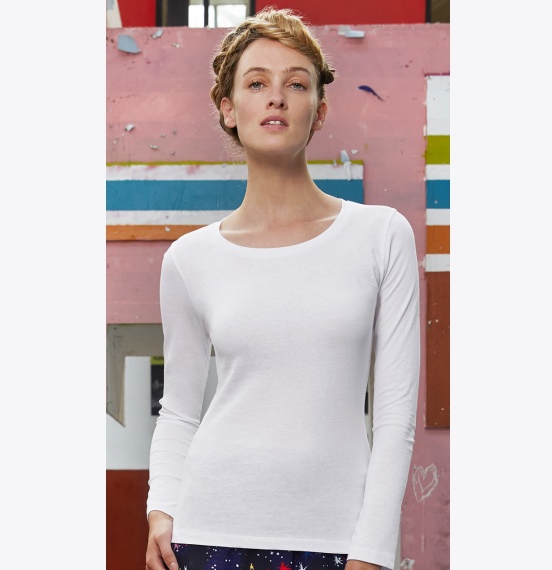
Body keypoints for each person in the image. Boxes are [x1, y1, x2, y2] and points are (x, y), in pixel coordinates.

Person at [146, 8, 420, 570]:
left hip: (337, 540)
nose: (276, 97)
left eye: (296, 84)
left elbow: (394, 416)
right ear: (228, 108)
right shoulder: (189, 260)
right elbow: (179, 411)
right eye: (256, 83)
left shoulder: (381, 235)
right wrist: (161, 510)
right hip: (206, 532)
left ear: (319, 110)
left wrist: (372, 551)